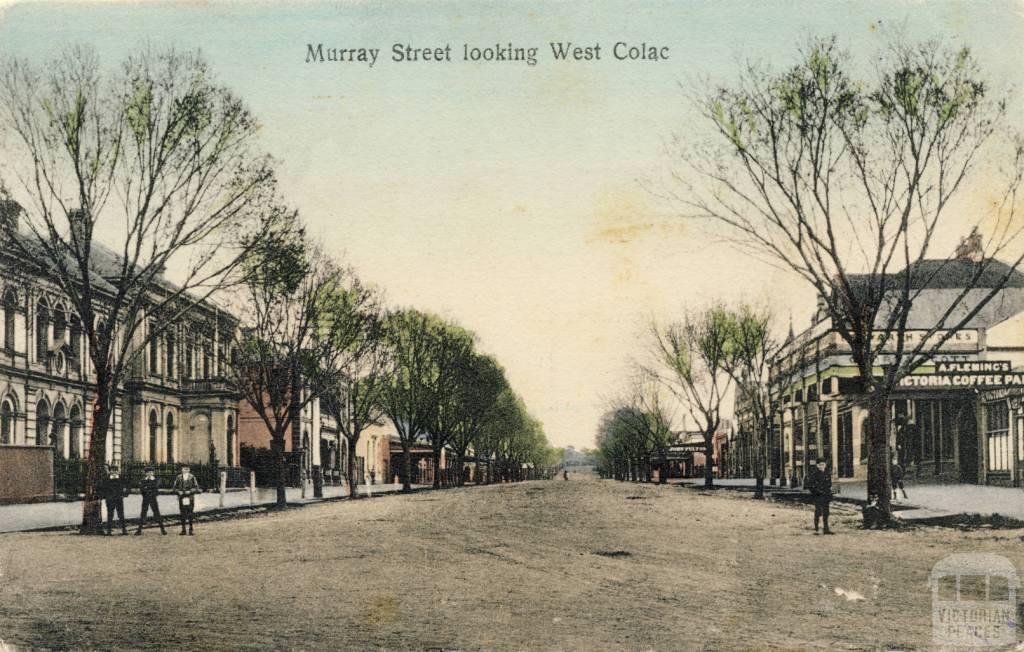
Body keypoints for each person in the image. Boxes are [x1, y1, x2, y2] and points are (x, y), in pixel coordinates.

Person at [805, 458, 834, 534]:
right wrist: (817, 492)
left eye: (823, 464)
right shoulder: (814, 475)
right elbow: (810, 485)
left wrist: (830, 490)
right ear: (817, 465)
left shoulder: (827, 474)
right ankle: (816, 528)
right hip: (818, 496)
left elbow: (829, 484)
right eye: (820, 465)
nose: (822, 466)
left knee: (826, 512)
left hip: (826, 495)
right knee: (818, 511)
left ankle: (826, 528)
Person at [135, 467, 167, 535]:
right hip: (145, 499)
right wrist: (148, 489)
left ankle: (162, 529)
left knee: (157, 513)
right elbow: (142, 490)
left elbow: (156, 489)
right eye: (148, 472)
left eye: (151, 472)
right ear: (145, 473)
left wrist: (147, 489)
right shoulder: (143, 480)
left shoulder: (156, 480)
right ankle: (139, 530)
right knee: (143, 513)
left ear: (153, 473)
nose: (149, 474)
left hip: (153, 499)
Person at [172, 465, 202, 536]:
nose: (185, 470)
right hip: (182, 497)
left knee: (190, 513)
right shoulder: (178, 477)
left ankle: (191, 529)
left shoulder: (192, 477)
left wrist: (190, 491)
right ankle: (183, 530)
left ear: (189, 470)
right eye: (184, 469)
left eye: (187, 469)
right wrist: (178, 491)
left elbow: (196, 487)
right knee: (182, 513)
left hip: (190, 497)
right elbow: (174, 488)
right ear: (182, 470)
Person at [102, 465, 130, 535]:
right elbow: (102, 488)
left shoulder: (121, 478)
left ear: (118, 471)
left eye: (116, 470)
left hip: (119, 499)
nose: (114, 472)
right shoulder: (106, 479)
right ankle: (109, 531)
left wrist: (125, 494)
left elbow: (128, 486)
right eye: (112, 470)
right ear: (110, 471)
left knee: (121, 514)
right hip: (110, 499)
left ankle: (124, 530)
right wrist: (105, 496)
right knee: (110, 514)